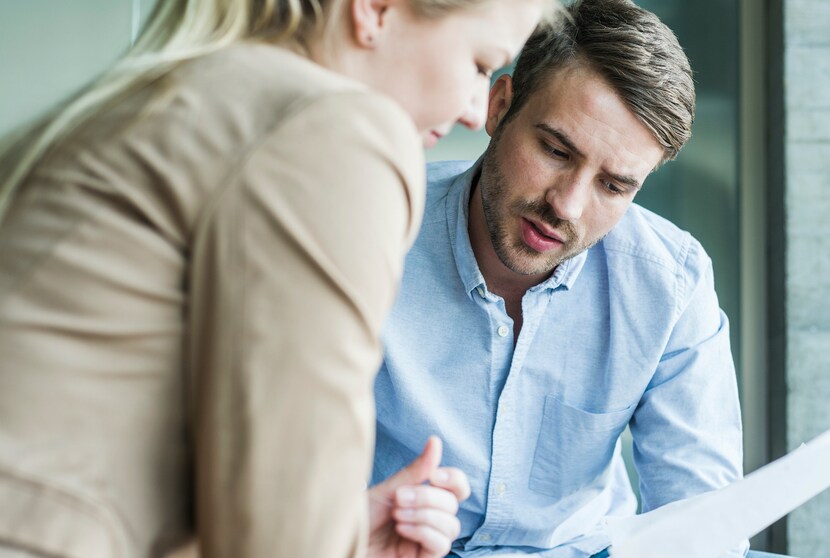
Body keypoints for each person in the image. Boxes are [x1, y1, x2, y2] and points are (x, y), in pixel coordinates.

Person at [0, 0, 554, 557]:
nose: (473, 110)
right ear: (376, 10)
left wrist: (346, 534)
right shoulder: (335, 132)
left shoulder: (173, 97)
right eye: (481, 65)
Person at [371, 0, 749, 556]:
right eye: (554, 150)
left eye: (614, 187)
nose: (567, 206)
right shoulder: (373, 227)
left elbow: (700, 516)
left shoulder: (670, 283)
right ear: (499, 107)